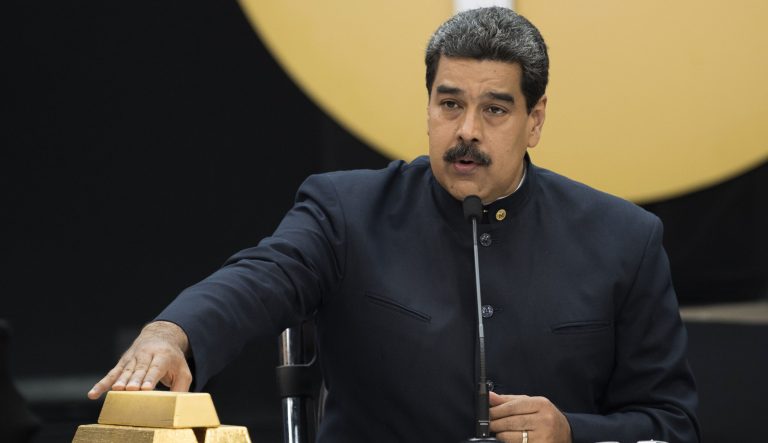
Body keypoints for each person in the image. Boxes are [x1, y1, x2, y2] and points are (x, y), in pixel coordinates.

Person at [88, 7, 700, 443]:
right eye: (450, 103)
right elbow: (259, 277)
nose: (466, 130)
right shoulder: (347, 211)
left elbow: (672, 425)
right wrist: (174, 333)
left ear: (535, 120)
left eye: (495, 109)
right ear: (429, 103)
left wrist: (573, 433)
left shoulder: (624, 240)